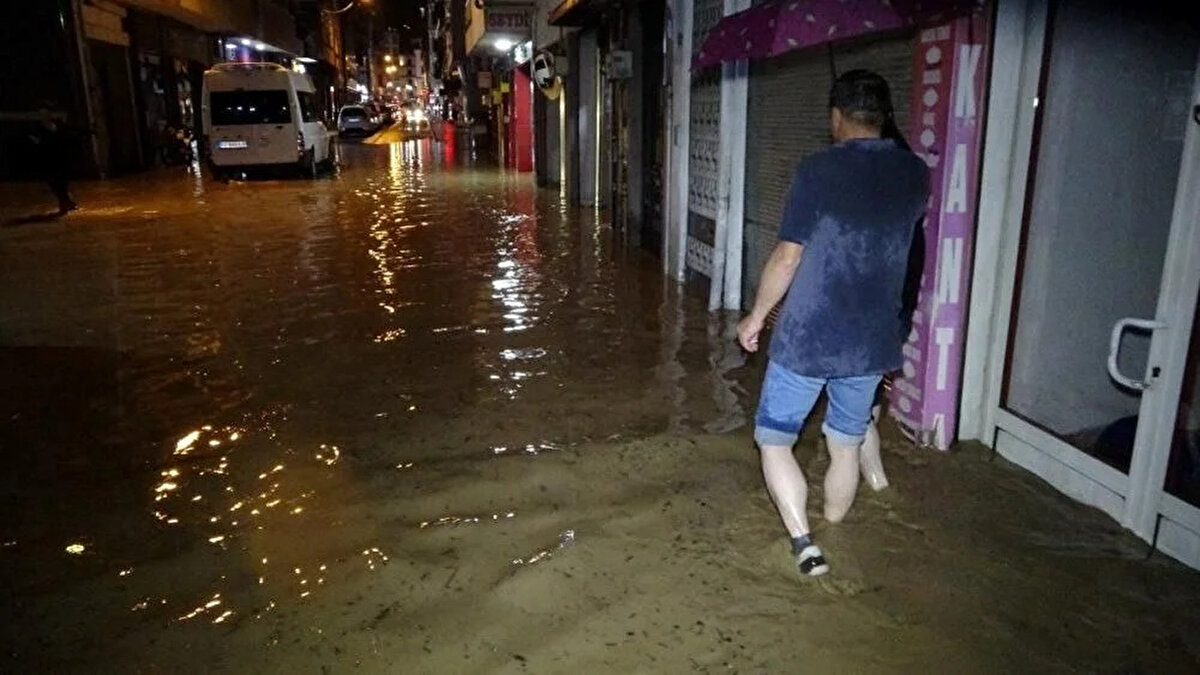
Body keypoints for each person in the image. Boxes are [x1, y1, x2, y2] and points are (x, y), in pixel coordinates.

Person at [736, 70, 930, 577]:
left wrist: (756, 317)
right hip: (872, 340)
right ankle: (839, 529)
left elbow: (786, 256)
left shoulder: (817, 170)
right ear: (884, 116)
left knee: (775, 439)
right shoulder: (916, 174)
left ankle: (805, 544)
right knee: (844, 442)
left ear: (835, 117)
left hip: (810, 336)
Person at [27, 102, 78, 215]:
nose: (43, 116)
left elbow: (66, 138)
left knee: (61, 183)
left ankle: (65, 203)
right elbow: (37, 144)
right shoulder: (38, 129)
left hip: (60, 158)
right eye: (41, 114)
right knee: (54, 184)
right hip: (48, 160)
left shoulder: (58, 125)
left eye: (45, 113)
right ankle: (67, 202)